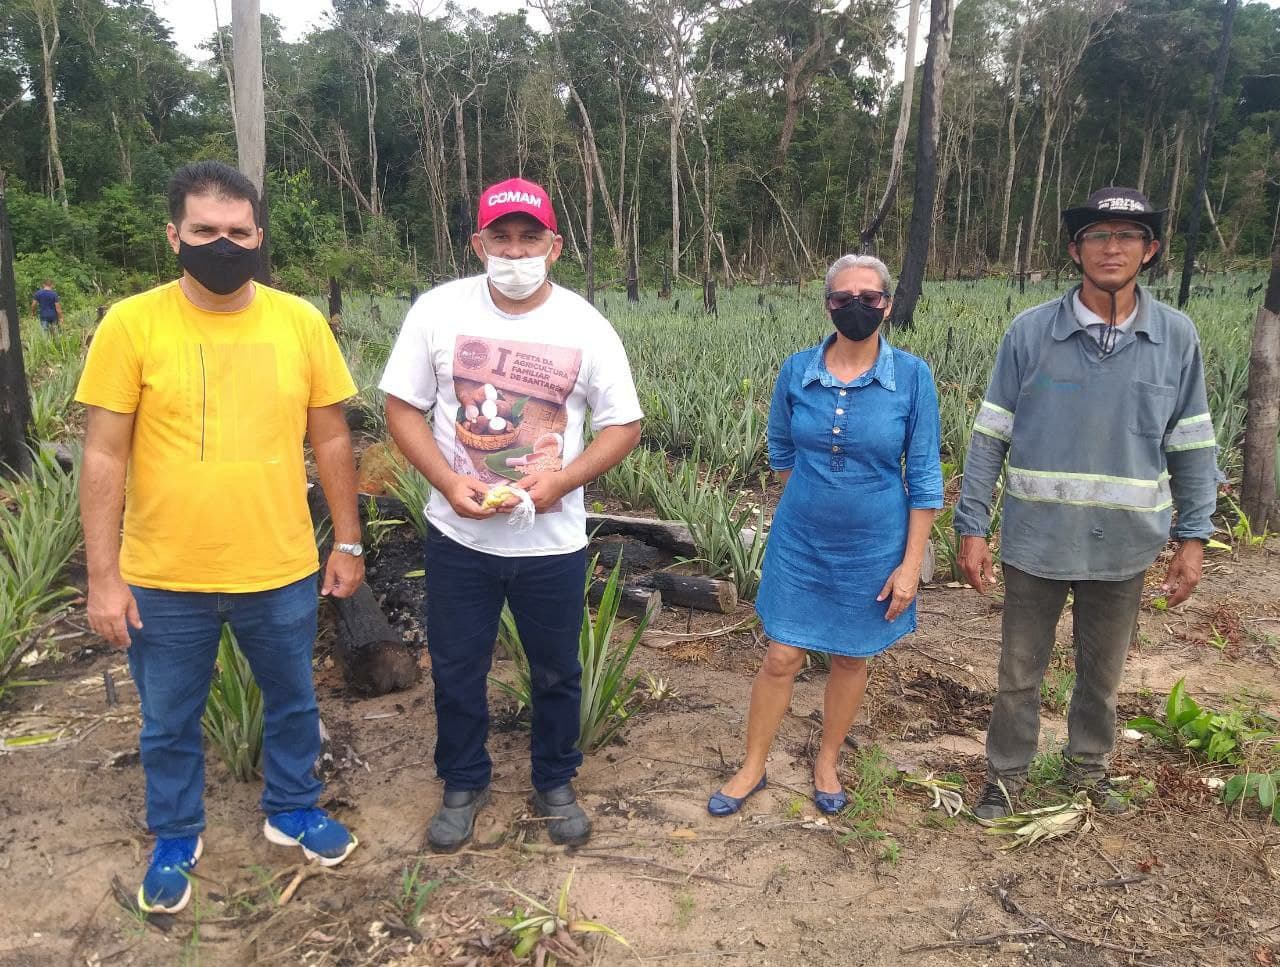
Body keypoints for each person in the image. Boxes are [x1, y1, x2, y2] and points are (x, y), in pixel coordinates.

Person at [75, 160, 364, 914]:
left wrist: (349, 540)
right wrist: (102, 576)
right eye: (205, 231)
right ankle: (175, 831)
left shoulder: (298, 321)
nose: (223, 245)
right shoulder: (131, 323)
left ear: (259, 236)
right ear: (174, 235)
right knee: (168, 717)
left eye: (238, 232)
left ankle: (293, 807)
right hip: (164, 573)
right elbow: (103, 453)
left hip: (278, 565)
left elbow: (331, 440)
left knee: (294, 700)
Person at [381, 177, 643, 853]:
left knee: (558, 668)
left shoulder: (585, 324)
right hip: (458, 533)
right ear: (478, 242)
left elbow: (623, 424)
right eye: (501, 237)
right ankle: (463, 780)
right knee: (458, 664)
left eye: (530, 238)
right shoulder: (438, 311)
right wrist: (445, 480)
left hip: (550, 539)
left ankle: (555, 778)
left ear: (554, 247)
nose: (515, 250)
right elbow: (402, 408)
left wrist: (562, 480)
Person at [955, 187, 1218, 820]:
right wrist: (972, 525)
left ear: (1149, 252)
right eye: (1098, 236)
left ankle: (1088, 770)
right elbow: (990, 433)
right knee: (1019, 672)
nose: (1112, 248)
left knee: (1102, 673)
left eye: (1127, 237)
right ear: (1076, 250)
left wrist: (1194, 536)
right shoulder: (1031, 333)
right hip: (1036, 540)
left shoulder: (1176, 338)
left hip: (1125, 547)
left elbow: (1193, 444)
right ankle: (1006, 777)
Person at [708, 255, 943, 817]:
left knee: (849, 657)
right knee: (781, 655)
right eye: (844, 298)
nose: (856, 307)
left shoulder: (912, 377)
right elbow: (782, 450)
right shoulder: (797, 371)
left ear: (887, 303)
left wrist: (910, 566)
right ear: (828, 304)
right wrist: (819, 497)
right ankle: (753, 764)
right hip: (800, 542)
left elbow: (926, 476)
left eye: (869, 297)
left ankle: (828, 760)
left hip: (874, 546)